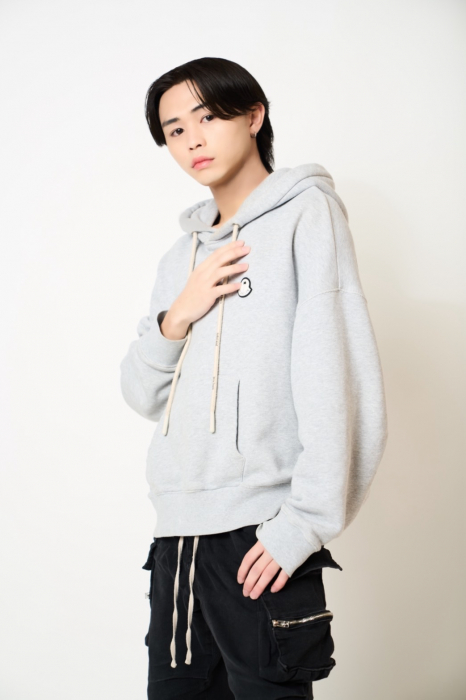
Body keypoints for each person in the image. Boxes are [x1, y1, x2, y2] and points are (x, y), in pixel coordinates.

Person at [120, 57, 388, 700]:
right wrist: (179, 314)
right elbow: (141, 394)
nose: (192, 140)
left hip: (259, 533)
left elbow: (339, 381)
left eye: (207, 117)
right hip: (176, 538)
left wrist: (303, 525)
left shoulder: (307, 216)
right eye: (174, 129)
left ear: (253, 116)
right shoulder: (179, 259)